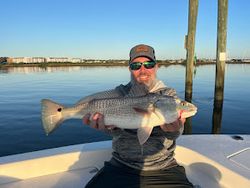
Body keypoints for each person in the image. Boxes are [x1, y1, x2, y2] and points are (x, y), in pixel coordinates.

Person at [83, 44, 193, 188]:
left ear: (156, 66)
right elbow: (114, 130)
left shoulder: (168, 95)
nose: (143, 70)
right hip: (120, 165)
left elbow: (174, 134)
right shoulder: (120, 93)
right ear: (130, 68)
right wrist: (107, 128)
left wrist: (174, 129)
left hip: (164, 168)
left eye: (148, 64)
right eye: (136, 65)